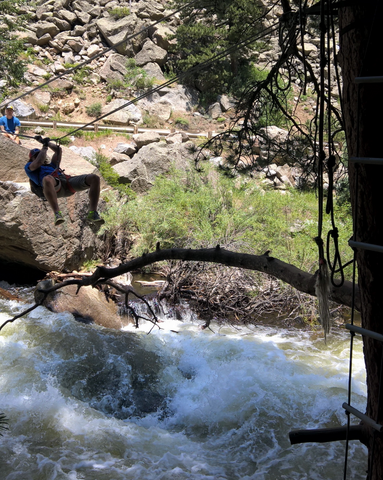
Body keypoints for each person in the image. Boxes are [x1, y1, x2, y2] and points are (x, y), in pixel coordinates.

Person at [25, 137, 104, 226]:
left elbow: (58, 150)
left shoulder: (52, 165)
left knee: (94, 178)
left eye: (39, 154)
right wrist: (44, 147)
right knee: (47, 179)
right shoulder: (29, 167)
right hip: (54, 188)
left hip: (67, 183)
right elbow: (38, 162)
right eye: (36, 156)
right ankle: (57, 213)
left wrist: (45, 142)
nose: (39, 157)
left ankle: (93, 212)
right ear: (31, 159)